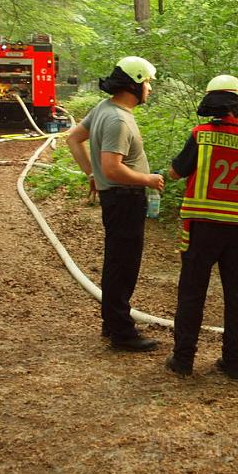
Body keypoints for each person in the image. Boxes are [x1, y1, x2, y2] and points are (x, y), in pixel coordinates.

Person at [163, 75, 238, 379]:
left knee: (191, 294)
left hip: (202, 229)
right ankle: (234, 363)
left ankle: (183, 361)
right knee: (235, 295)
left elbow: (174, 173)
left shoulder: (200, 135)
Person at [66, 56, 165, 351]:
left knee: (116, 263)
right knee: (124, 265)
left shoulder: (104, 108)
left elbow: (74, 138)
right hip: (125, 199)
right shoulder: (119, 120)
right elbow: (112, 168)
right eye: (147, 82)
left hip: (117, 198)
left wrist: (91, 174)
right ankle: (122, 333)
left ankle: (113, 324)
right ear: (134, 83)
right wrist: (148, 180)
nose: (149, 88)